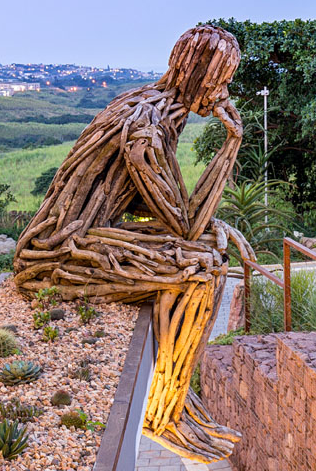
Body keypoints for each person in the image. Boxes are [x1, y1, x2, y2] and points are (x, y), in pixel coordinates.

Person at [13, 24, 254, 461]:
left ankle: (176, 400)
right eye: (220, 78)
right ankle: (162, 415)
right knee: (200, 270)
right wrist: (230, 145)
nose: (224, 91)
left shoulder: (153, 103)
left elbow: (159, 210)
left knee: (205, 254)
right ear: (197, 72)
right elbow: (183, 225)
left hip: (85, 233)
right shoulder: (149, 124)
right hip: (56, 253)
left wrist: (204, 226)